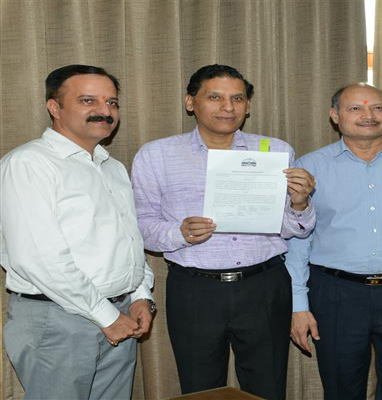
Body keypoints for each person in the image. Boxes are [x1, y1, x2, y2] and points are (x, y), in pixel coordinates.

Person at [131, 64, 316, 399]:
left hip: (264, 285)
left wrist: (300, 203)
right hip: (195, 289)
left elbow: (294, 230)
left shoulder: (275, 151)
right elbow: (142, 226)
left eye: (237, 98)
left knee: (268, 386)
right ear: (190, 102)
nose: (228, 107)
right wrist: (179, 233)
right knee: (201, 388)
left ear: (248, 106)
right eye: (215, 97)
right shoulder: (156, 155)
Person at [0, 64, 155, 399]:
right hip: (58, 320)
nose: (105, 111)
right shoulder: (29, 164)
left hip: (120, 314)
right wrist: (107, 316)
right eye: (88, 101)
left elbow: (130, 241)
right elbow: (37, 259)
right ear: (54, 107)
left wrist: (141, 296)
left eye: (112, 103)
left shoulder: (112, 168)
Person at [286, 83, 382, 400]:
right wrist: (298, 306)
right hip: (336, 294)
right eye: (355, 108)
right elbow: (297, 242)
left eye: (377, 107)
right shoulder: (309, 166)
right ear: (334, 115)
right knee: (341, 389)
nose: (368, 115)